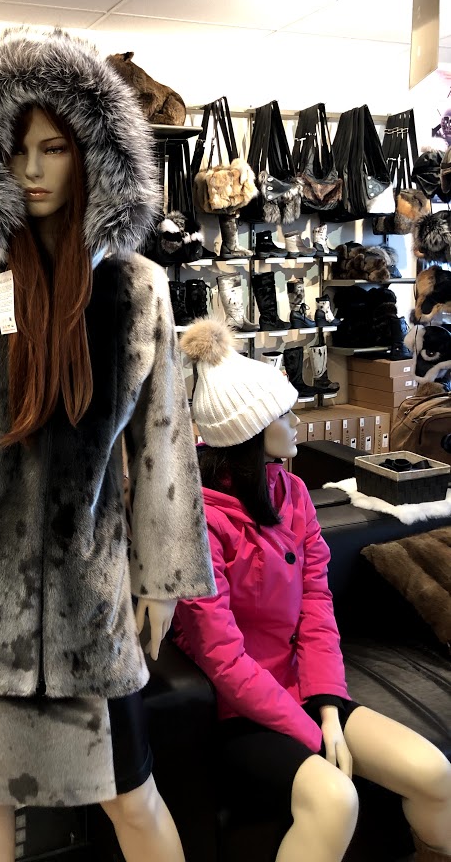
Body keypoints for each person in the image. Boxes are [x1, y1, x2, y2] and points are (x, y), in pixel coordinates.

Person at [0, 28, 215, 862]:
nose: (31, 169)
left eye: (53, 147)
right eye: (15, 148)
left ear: (92, 155)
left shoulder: (137, 291)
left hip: (90, 605)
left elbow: (165, 446)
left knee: (133, 798)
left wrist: (163, 580)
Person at [172, 317, 451, 862]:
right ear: (251, 432)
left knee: (435, 774)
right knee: (335, 801)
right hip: (240, 710)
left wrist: (326, 706)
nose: (296, 422)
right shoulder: (200, 524)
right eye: (283, 414)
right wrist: (310, 732)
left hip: (306, 687)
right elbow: (222, 658)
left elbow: (317, 606)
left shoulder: (292, 492)